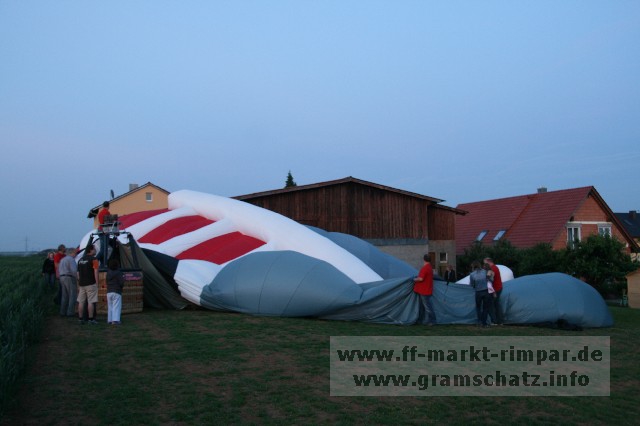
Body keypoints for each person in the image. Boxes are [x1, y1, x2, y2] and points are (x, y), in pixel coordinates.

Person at [77, 244, 99, 324]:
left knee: (81, 302)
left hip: (82, 283)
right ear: (91, 250)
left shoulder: (80, 260)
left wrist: (79, 281)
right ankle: (91, 319)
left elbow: (78, 273)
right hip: (91, 283)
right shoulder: (95, 259)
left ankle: (80, 318)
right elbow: (96, 271)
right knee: (91, 301)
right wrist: (97, 283)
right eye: (94, 249)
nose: (95, 250)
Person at [413, 254, 436, 325]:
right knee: (423, 307)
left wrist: (414, 279)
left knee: (427, 307)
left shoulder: (425, 268)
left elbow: (421, 279)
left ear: (424, 259)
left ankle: (432, 321)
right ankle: (421, 320)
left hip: (424, 290)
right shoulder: (430, 268)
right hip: (427, 290)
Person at [469, 261, 493, 328]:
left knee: (478, 307)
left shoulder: (472, 274)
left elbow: (472, 285)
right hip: (486, 291)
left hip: (478, 292)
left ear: (473, 267)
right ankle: (484, 323)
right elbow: (491, 280)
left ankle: (479, 321)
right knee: (485, 308)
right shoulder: (485, 272)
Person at [58, 248, 78, 317]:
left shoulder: (62, 259)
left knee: (64, 295)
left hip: (62, 277)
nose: (76, 254)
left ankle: (62, 311)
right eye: (75, 253)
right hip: (69, 277)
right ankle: (70, 312)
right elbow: (74, 270)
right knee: (72, 295)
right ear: (72, 253)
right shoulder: (71, 259)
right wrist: (77, 278)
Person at [484, 257, 504, 325]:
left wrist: (493, 291)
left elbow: (490, 280)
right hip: (498, 288)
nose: (484, 265)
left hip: (495, 289)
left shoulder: (492, 269)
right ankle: (499, 321)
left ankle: (494, 321)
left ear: (488, 262)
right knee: (496, 304)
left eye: (485, 263)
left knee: (492, 305)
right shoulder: (495, 267)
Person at [106, 258, 125, 325]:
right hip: (116, 291)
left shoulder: (108, 272)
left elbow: (106, 281)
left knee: (110, 306)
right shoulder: (119, 273)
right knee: (116, 306)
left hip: (109, 291)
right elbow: (121, 282)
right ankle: (115, 320)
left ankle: (110, 320)